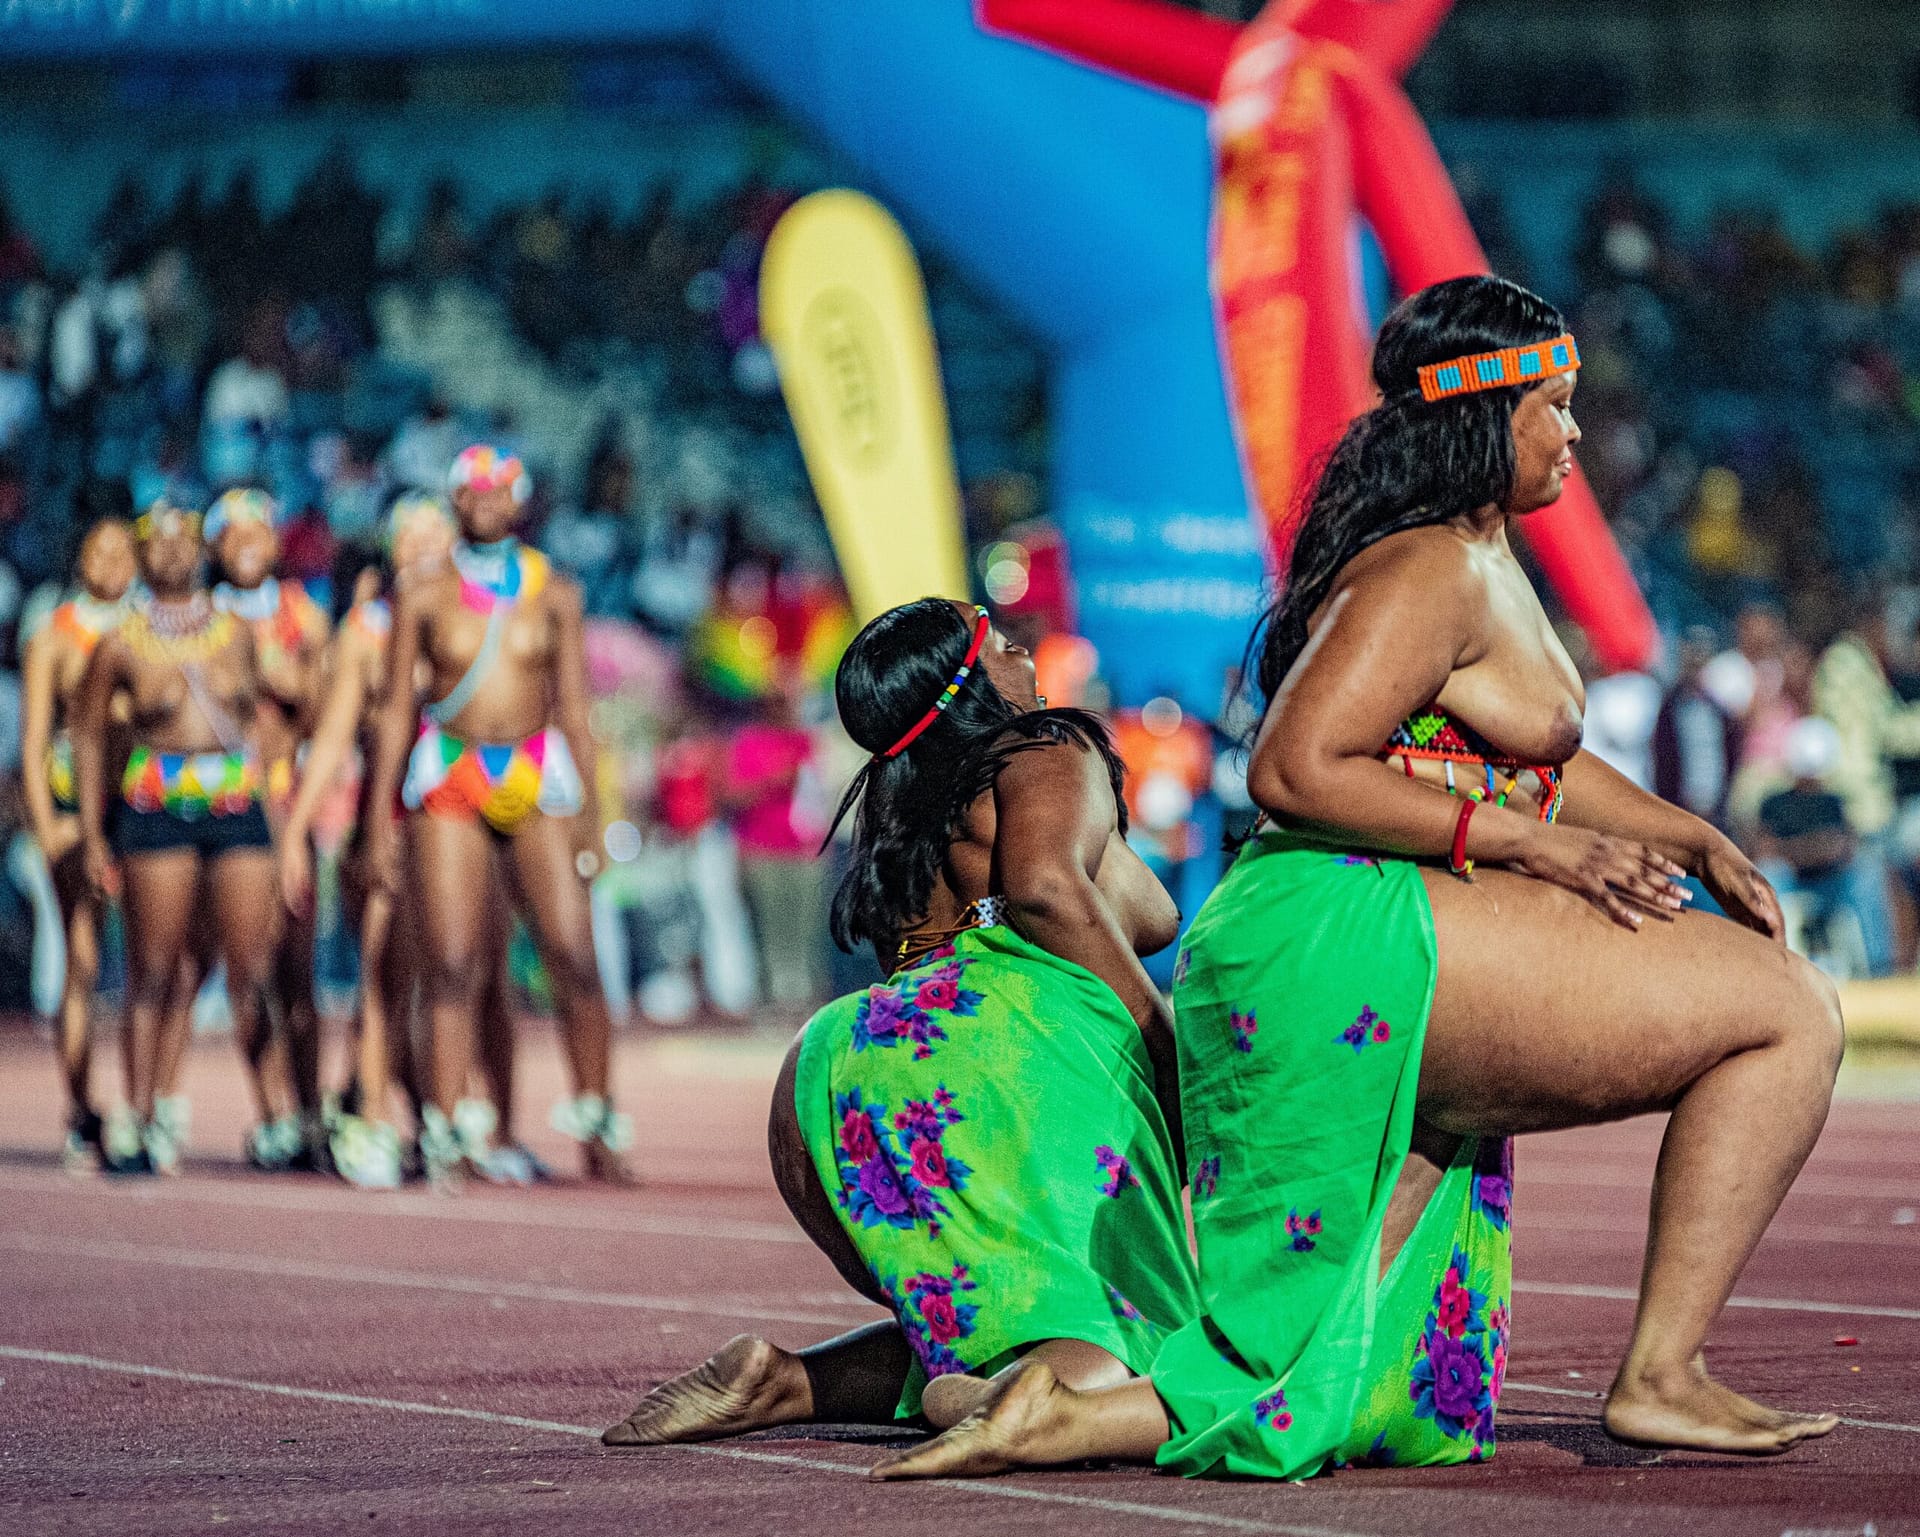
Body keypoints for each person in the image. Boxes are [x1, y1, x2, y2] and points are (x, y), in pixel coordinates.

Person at [871, 277, 1843, 1484]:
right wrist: (1538, 848)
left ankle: (1053, 1406)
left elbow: (1530, 758)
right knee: (1788, 1010)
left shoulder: (1468, 556)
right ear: (1485, 413)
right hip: (1344, 926)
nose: (1577, 433)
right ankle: (1661, 1375)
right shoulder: (1429, 568)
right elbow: (1293, 763)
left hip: (1338, 931)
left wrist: (1688, 834)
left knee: (1329, 1337)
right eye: (1556, 404)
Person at [603, 598, 1199, 1447]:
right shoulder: (1047, 748)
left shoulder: (904, 795)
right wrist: (1159, 1042)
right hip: (1006, 1046)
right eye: (997, 637)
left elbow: (1144, 907)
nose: (1020, 645)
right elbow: (1044, 889)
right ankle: (1016, 1401)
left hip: (836, 1070)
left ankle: (788, 1382)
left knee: (986, 1323)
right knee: (1144, 1333)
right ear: (970, 681)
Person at [366, 445, 633, 1188]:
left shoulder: (556, 592)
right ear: (453, 500)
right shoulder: (423, 592)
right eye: (471, 490)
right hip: (449, 771)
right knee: (451, 962)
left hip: (532, 770)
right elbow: (393, 713)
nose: (484, 501)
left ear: (521, 501)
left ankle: (598, 1117)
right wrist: (376, 821)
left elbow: (577, 712)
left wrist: (591, 815)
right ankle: (449, 1125)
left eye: (498, 490)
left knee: (573, 954)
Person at [73, 497, 286, 1175]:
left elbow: (267, 718)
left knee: (251, 964)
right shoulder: (122, 640)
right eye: (155, 542)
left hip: (232, 798)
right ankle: (140, 1115)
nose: (171, 551)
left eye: (183, 539)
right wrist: (90, 829)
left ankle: (281, 1115)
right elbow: (84, 732)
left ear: (202, 549)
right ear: (140, 554)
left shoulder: (235, 632)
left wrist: (280, 815)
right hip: (156, 800)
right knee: (153, 968)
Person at [279, 494, 455, 1188]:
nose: (420, 549)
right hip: (385, 818)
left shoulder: (478, 612)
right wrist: (296, 831)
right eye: (408, 538)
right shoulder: (366, 631)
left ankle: (444, 1117)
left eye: (433, 536)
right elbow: (329, 741)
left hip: (461, 815)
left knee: (457, 975)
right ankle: (373, 1114)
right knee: (384, 973)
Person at [197, 487, 332, 1168]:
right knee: (245, 966)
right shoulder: (197, 615)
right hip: (221, 805)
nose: (249, 542)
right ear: (215, 545)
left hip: (286, 798)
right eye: (235, 531)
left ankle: (312, 1113)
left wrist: (278, 672)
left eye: (261, 529)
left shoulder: (302, 612)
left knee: (298, 974)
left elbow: (324, 707)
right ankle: (274, 1109)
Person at [20, 517, 136, 1169]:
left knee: (154, 969)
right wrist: (47, 823)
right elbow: (36, 741)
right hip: (73, 808)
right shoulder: (55, 637)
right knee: (83, 960)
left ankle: (145, 1106)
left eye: (124, 550)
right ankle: (82, 1107)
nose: (112, 562)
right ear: (80, 558)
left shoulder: (159, 628)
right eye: (98, 549)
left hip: (144, 808)